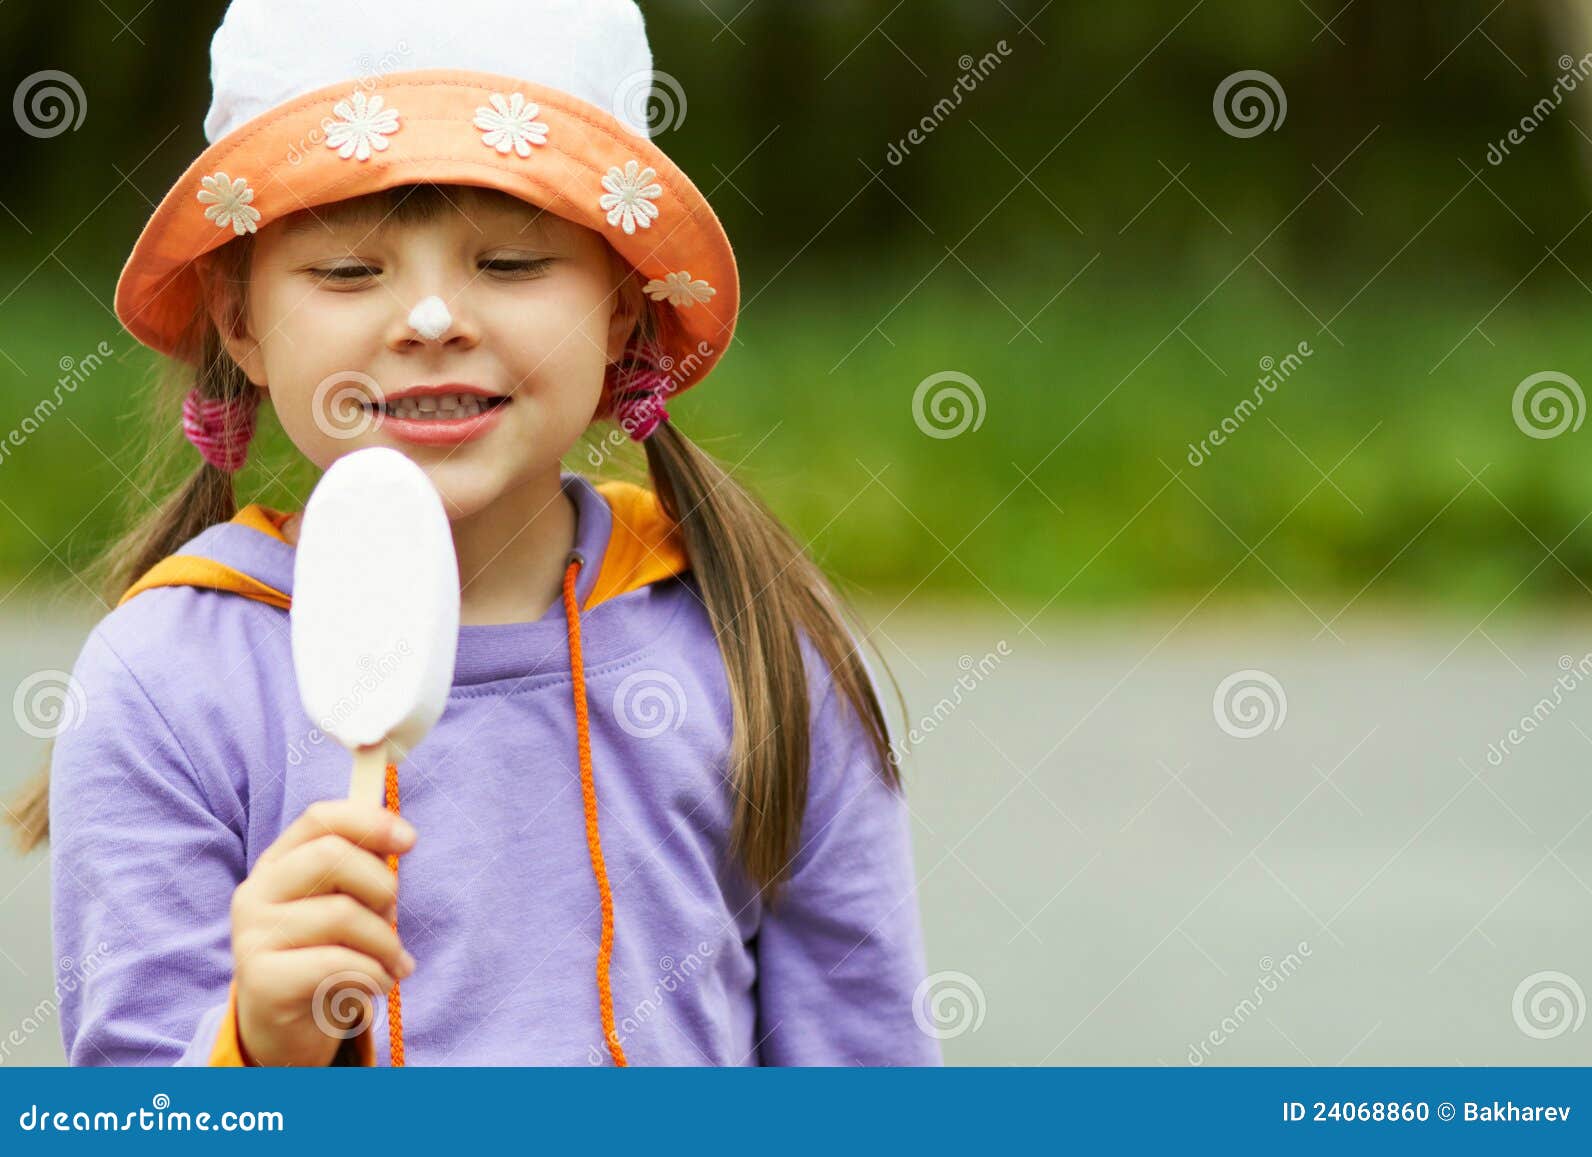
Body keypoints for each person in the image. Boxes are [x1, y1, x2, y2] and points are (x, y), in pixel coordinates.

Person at [9, 0, 939, 1067]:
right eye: (350, 271)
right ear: (239, 318)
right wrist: (258, 1048)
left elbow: (866, 1065)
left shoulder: (756, 643)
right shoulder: (167, 679)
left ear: (624, 309)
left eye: (510, 263)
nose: (433, 318)